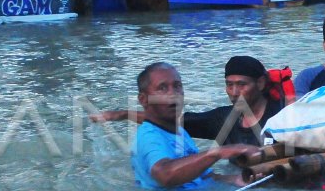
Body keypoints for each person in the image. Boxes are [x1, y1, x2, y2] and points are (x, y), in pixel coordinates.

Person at [94, 55, 281, 147]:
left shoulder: (284, 117)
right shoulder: (223, 119)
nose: (234, 92)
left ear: (261, 83)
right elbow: (168, 121)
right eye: (229, 85)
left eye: (242, 85)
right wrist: (123, 114)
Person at [130, 62, 256, 190]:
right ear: (143, 100)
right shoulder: (149, 136)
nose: (173, 94)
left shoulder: (179, 131)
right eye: (162, 88)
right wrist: (218, 152)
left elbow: (205, 176)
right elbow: (165, 175)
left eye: (177, 86)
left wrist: (235, 179)